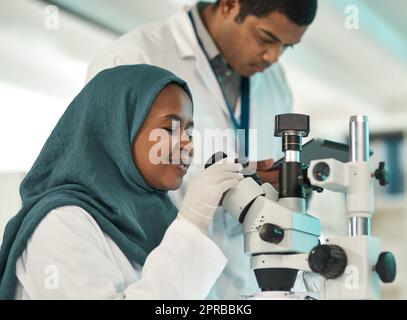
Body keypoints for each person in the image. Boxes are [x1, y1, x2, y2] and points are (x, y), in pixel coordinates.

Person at [87, 0, 318, 298]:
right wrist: (211, 185)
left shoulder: (276, 85)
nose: (273, 57)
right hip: (158, 282)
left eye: (288, 47)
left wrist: (285, 185)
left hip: (246, 286)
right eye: (266, 38)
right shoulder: (133, 57)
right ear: (229, 5)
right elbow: (105, 183)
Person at [0, 64, 244, 299]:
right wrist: (192, 225)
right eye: (169, 129)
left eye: (189, 133)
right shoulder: (60, 223)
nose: (187, 144)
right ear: (116, 129)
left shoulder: (160, 219)